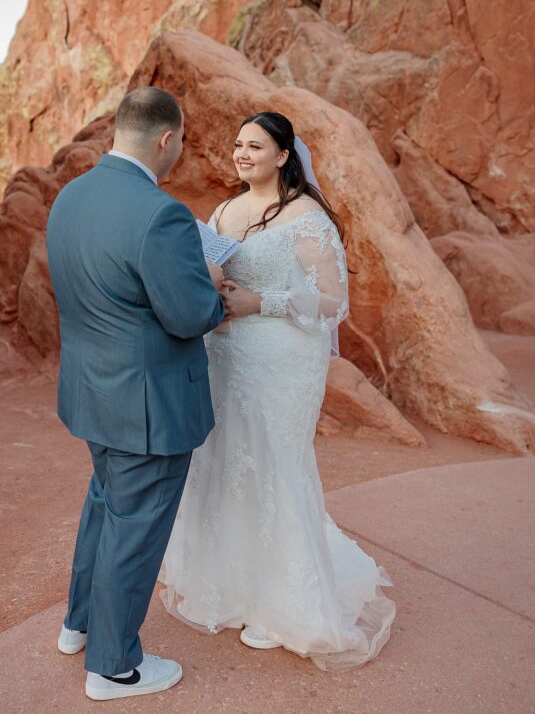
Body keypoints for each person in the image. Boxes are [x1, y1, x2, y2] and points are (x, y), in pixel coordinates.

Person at [160, 111, 396, 670]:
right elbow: (213, 268)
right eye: (238, 145)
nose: (243, 155)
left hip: (283, 359)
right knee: (224, 459)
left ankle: (281, 602)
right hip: (226, 352)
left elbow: (333, 302)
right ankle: (226, 581)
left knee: (273, 465)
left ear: (284, 155)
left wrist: (260, 301)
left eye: (256, 147)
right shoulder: (222, 210)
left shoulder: (307, 217)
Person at [46, 87, 225, 701]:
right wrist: (214, 287)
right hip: (149, 405)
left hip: (92, 394)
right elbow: (189, 315)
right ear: (166, 139)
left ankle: (80, 624)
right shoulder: (161, 213)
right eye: (181, 144)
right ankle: (114, 666)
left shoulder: (69, 197)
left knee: (105, 504)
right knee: (137, 524)